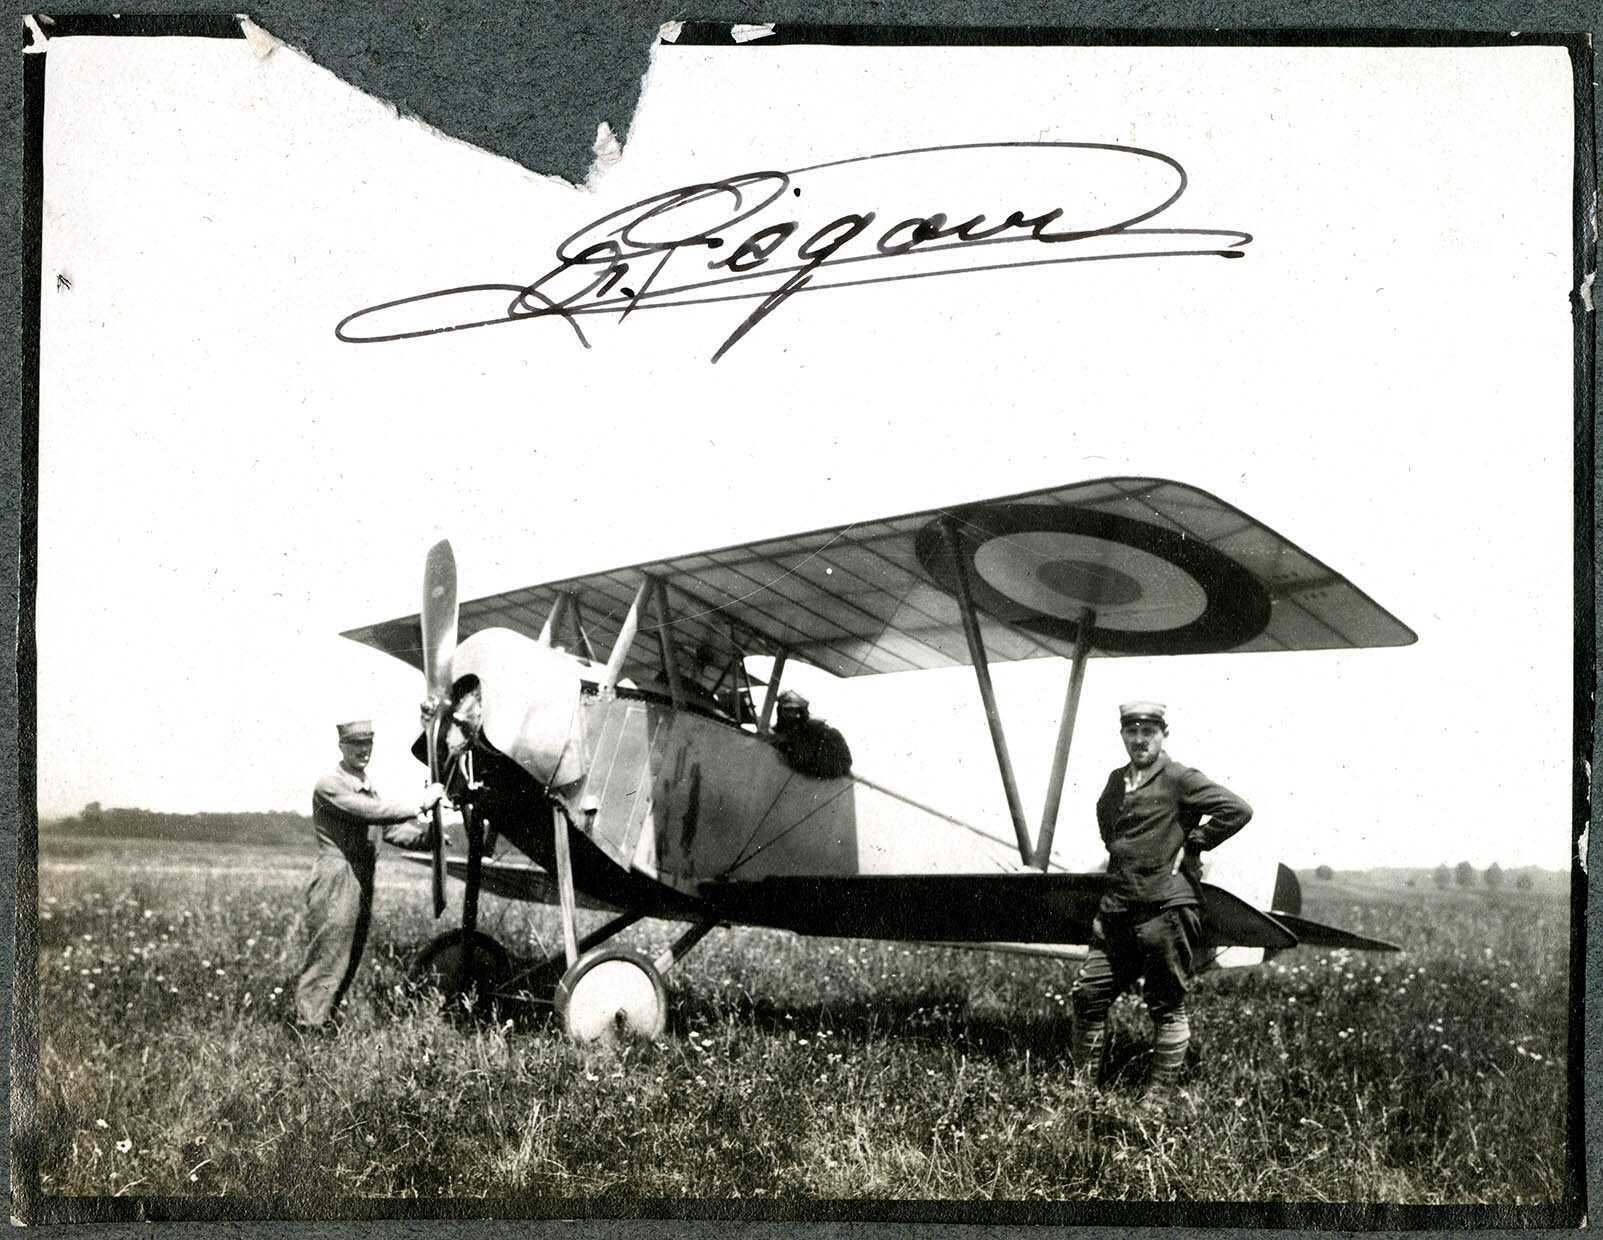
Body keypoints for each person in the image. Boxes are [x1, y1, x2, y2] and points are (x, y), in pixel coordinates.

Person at [1069, 700, 1252, 1097]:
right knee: (1088, 994)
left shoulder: (1179, 778)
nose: (1139, 740)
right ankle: (1081, 1091)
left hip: (1165, 909)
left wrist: (1195, 841)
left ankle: (1156, 1103)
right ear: (1122, 736)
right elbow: (1108, 825)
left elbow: (1236, 809)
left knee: (1166, 1005)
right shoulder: (1116, 780)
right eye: (1131, 732)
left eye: (1148, 732)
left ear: (1163, 735)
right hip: (1117, 908)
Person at [294, 719, 445, 1032]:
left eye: (368, 744)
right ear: (342, 747)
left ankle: (323, 1020)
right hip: (337, 874)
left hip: (361, 876)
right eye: (356, 745)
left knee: (349, 953)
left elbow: (391, 830)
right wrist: (420, 803)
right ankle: (308, 1027)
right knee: (328, 954)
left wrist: (430, 836)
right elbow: (370, 813)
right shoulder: (331, 784)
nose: (363, 751)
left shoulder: (367, 786)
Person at [770, 689, 853, 779]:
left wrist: (786, 746)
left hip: (824, 771)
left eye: (792, 710)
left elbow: (802, 757)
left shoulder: (811, 729)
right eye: (785, 710)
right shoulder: (785, 728)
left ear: (801, 711)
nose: (788, 714)